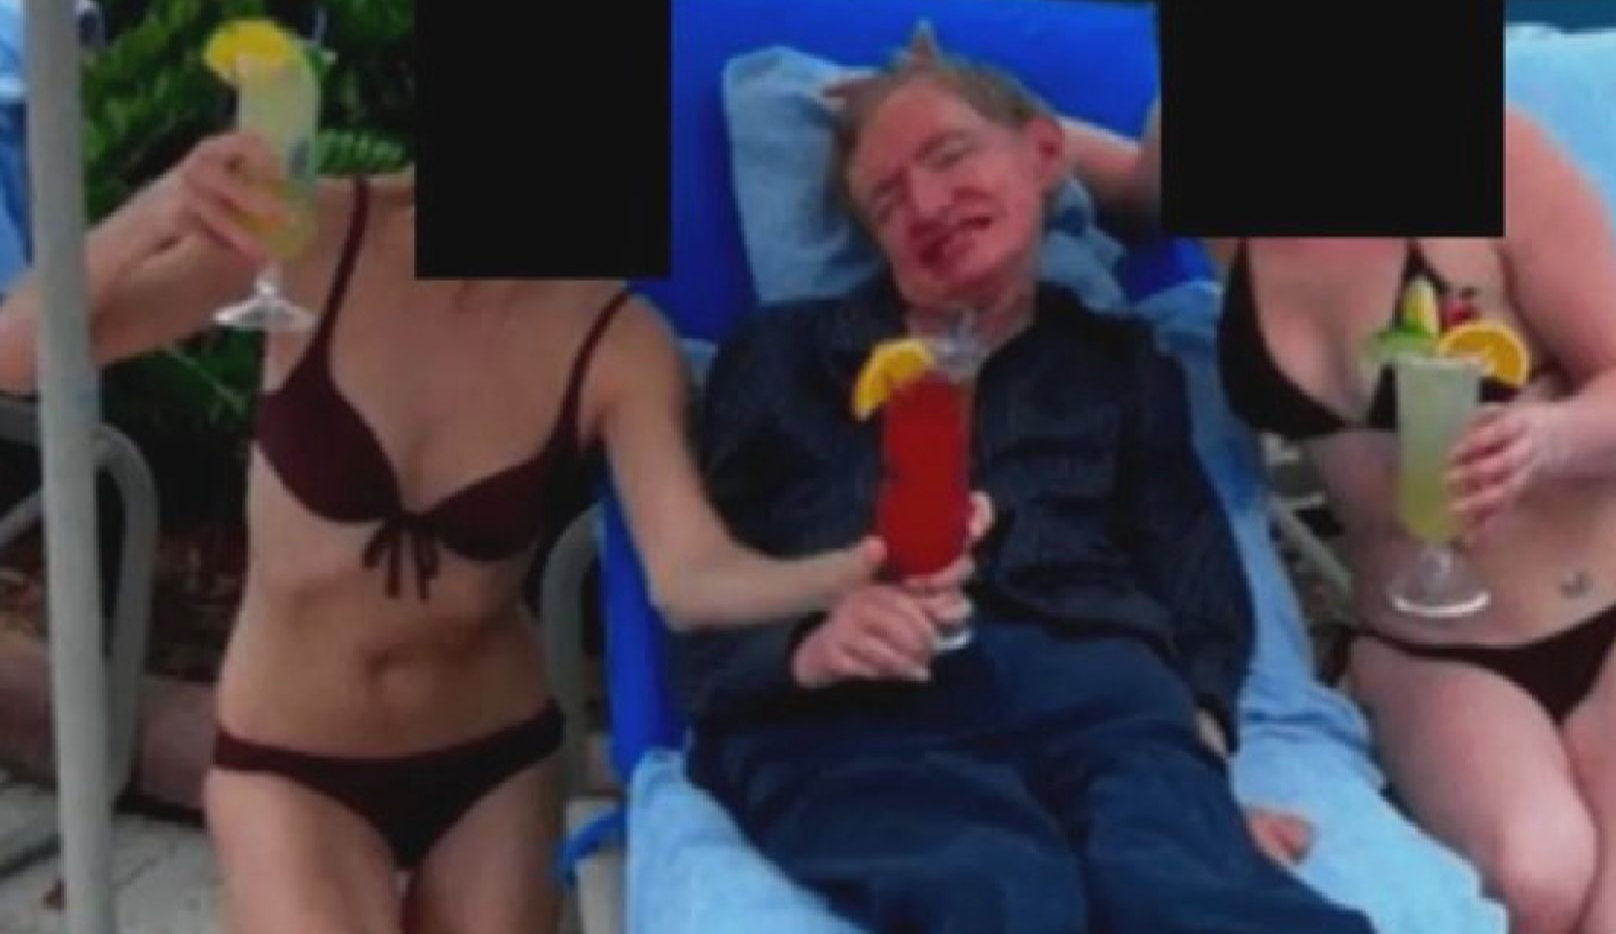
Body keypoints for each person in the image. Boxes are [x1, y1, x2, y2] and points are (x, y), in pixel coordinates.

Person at [0, 137, 943, 933]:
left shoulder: (614, 335)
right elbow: (18, 354)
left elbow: (686, 572)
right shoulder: (316, 235)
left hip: (492, 762)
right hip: (291, 759)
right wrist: (160, 209)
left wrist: (848, 572)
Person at [671, 28, 1375, 934]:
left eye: (950, 155)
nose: (926, 205)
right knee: (998, 895)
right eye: (887, 200)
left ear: (1045, 155)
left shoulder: (1120, 364)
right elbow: (704, 580)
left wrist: (1197, 757)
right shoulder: (783, 356)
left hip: (1103, 702)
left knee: (1190, 894)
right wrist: (803, 647)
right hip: (856, 717)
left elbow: (1192, 565)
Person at [1069, 104, 1616, 933]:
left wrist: (1550, 437)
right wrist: (953, 110)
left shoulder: (1497, 153)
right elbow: (1124, 186)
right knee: (1537, 878)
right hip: (1431, 646)